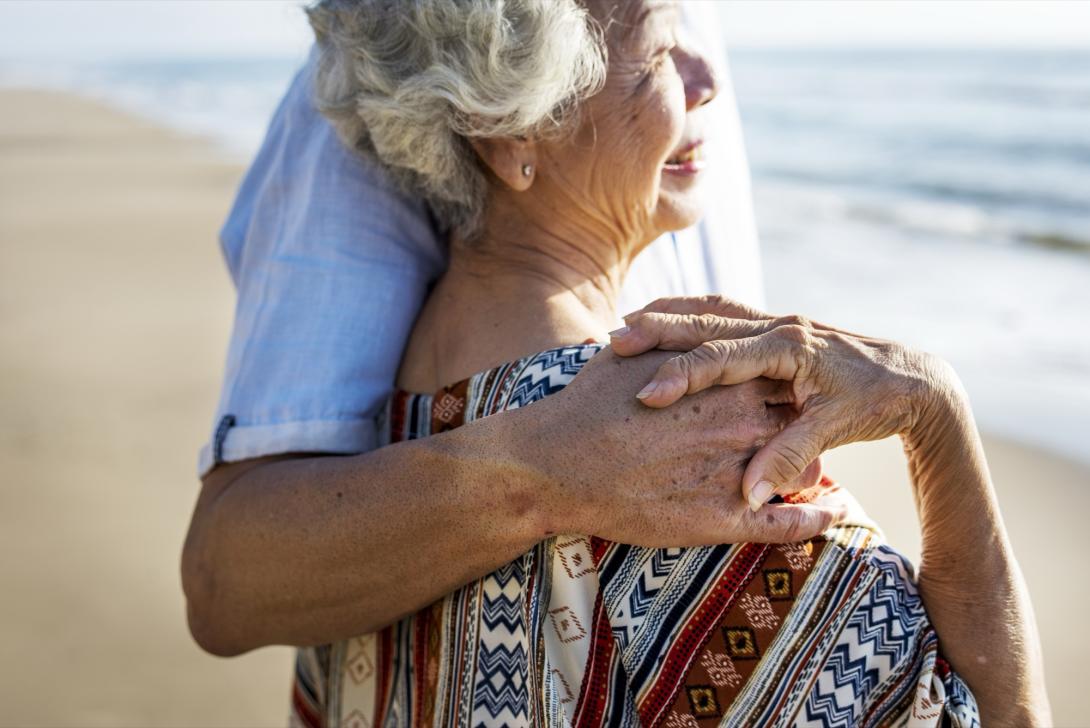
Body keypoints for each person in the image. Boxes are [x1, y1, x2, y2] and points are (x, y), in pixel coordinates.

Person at [181, 0, 1049, 725]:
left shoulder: (387, 439)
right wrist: (934, 411)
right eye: (664, 56)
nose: (710, 84)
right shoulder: (680, 460)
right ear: (509, 132)